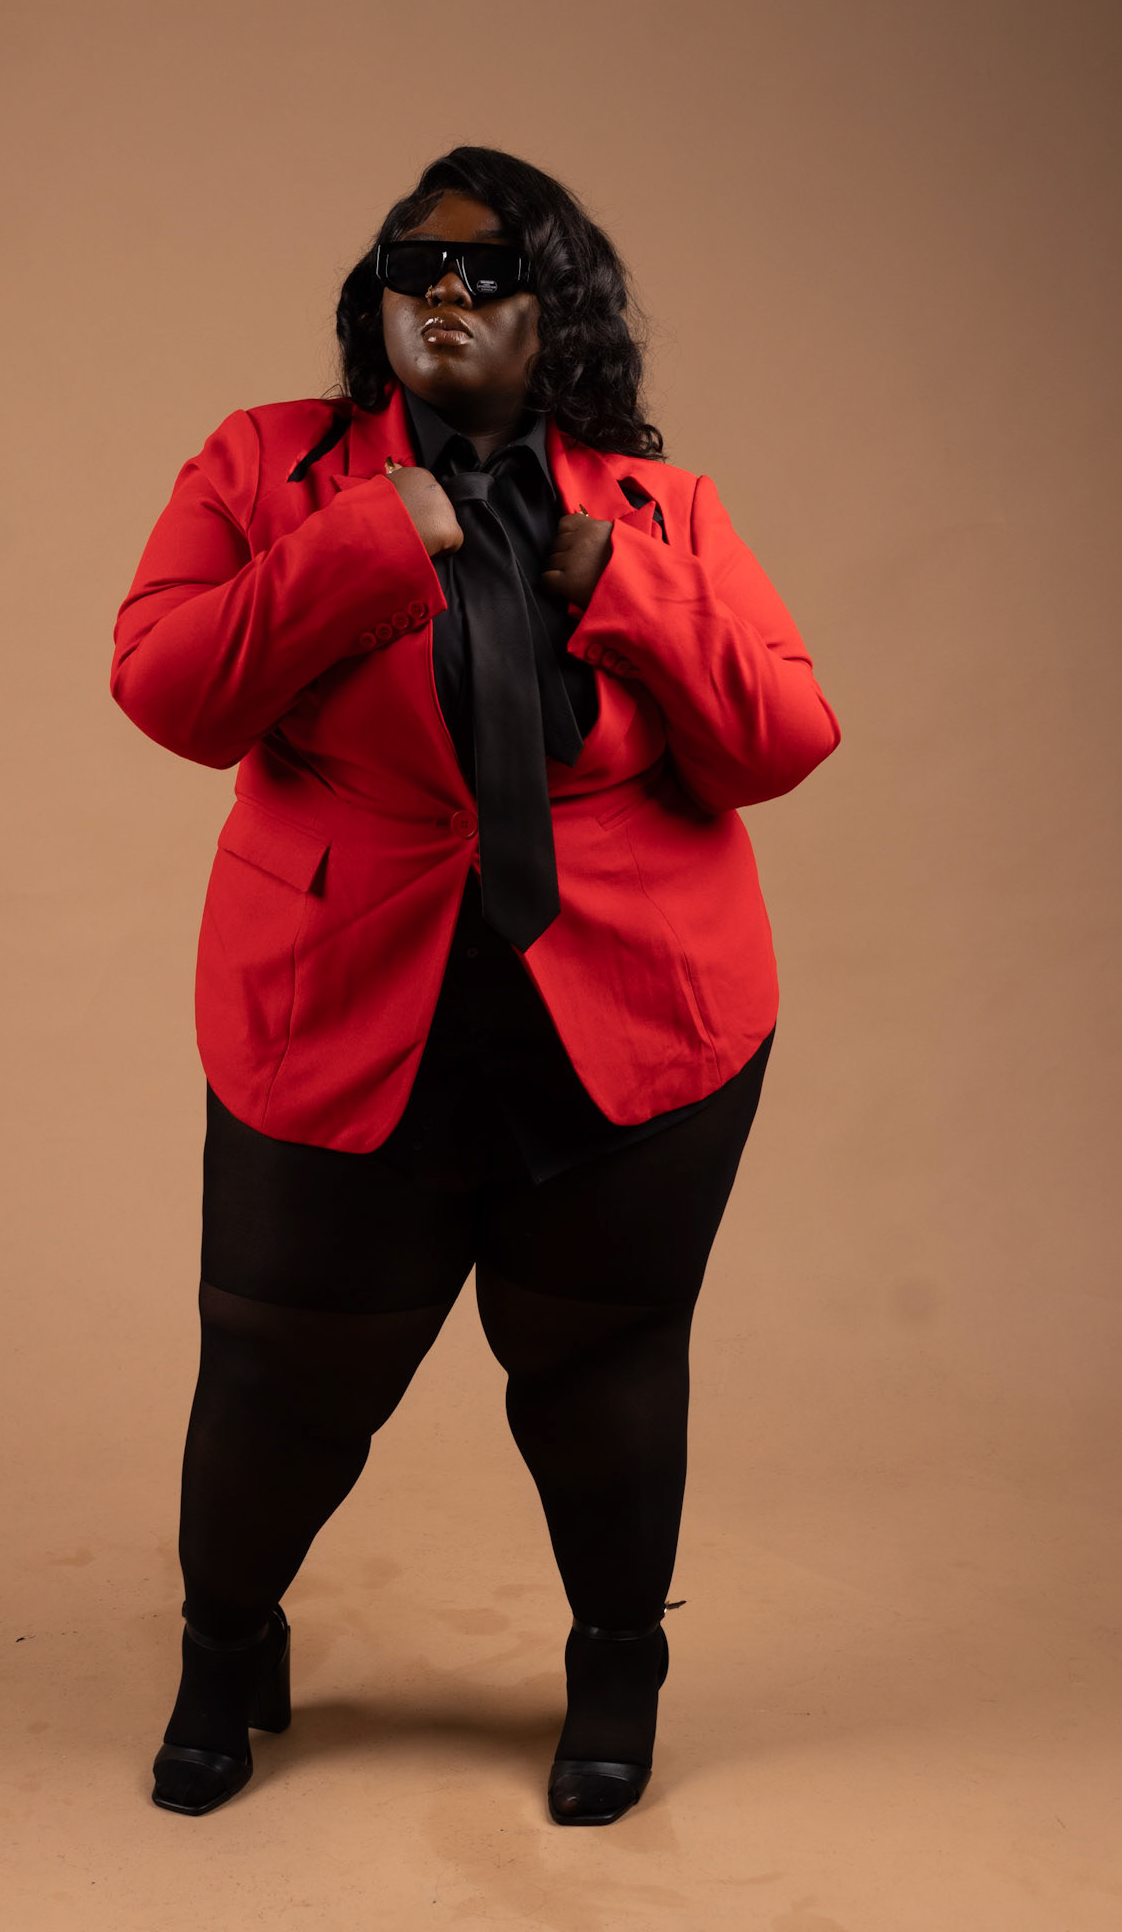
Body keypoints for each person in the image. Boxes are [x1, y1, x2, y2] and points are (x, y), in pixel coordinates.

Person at [108, 144, 841, 1826]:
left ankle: (614, 1670)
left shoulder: (660, 508)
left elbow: (780, 740)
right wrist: (368, 541)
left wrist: (620, 586)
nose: (443, 293)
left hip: (632, 1018)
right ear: (371, 297)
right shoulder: (263, 466)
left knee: (603, 1361)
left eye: (489, 270)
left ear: (557, 309)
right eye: (412, 265)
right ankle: (225, 1650)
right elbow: (167, 689)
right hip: (339, 995)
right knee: (279, 1367)